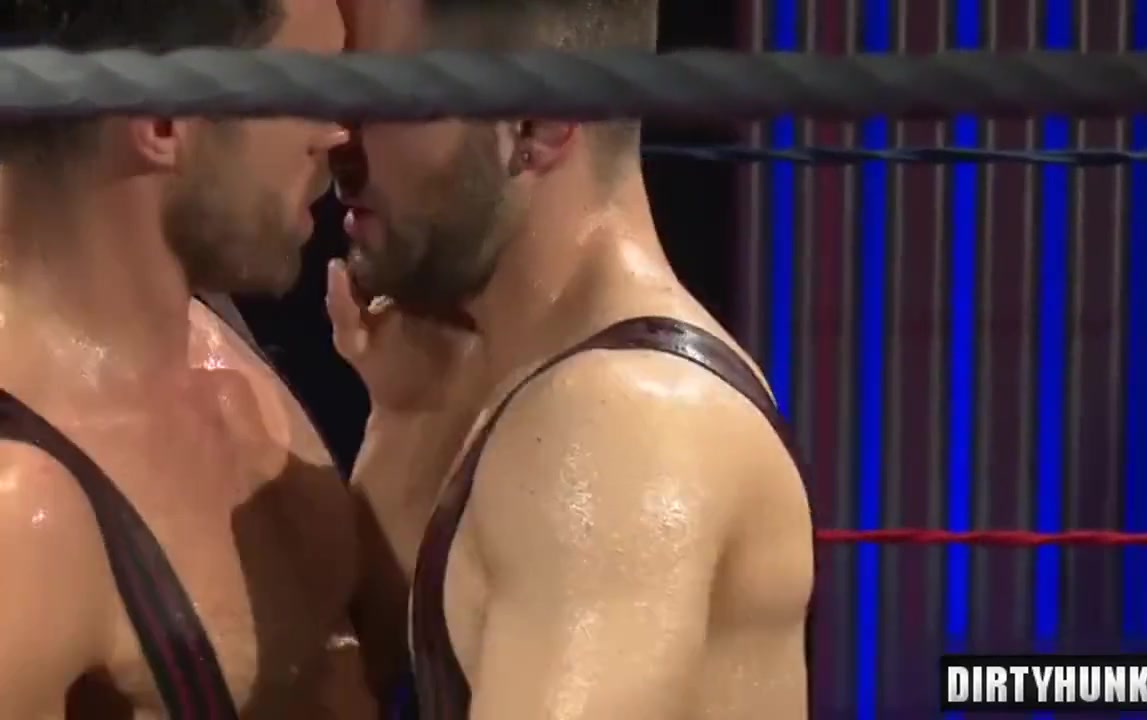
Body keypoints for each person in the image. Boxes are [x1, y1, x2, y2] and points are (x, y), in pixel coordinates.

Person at [331, 1, 816, 718]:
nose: (337, 138)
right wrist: (408, 427)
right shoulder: (551, 393)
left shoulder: (618, 421)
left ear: (539, 122)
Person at [0, 1, 378, 717]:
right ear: (164, 121)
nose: (339, 134)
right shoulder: (18, 520)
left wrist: (417, 417)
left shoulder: (212, 348)